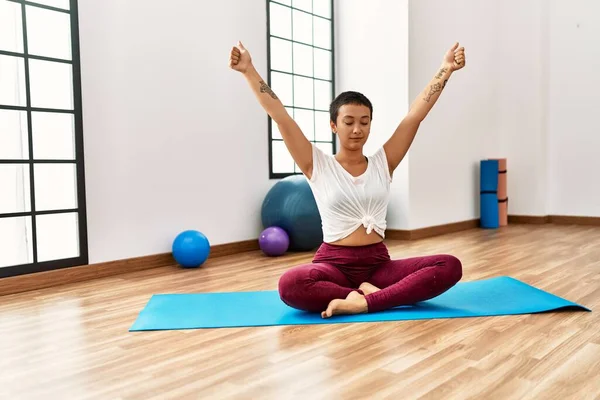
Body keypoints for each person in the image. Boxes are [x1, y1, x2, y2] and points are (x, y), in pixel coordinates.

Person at [229, 40, 466, 318]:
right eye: (349, 121)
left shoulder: (383, 162)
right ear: (334, 125)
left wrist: (445, 69)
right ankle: (365, 296)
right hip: (333, 265)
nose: (357, 129)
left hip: (378, 266)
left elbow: (414, 117)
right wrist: (248, 70)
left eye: (364, 122)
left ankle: (364, 301)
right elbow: (280, 116)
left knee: (449, 266)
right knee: (290, 284)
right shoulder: (316, 164)